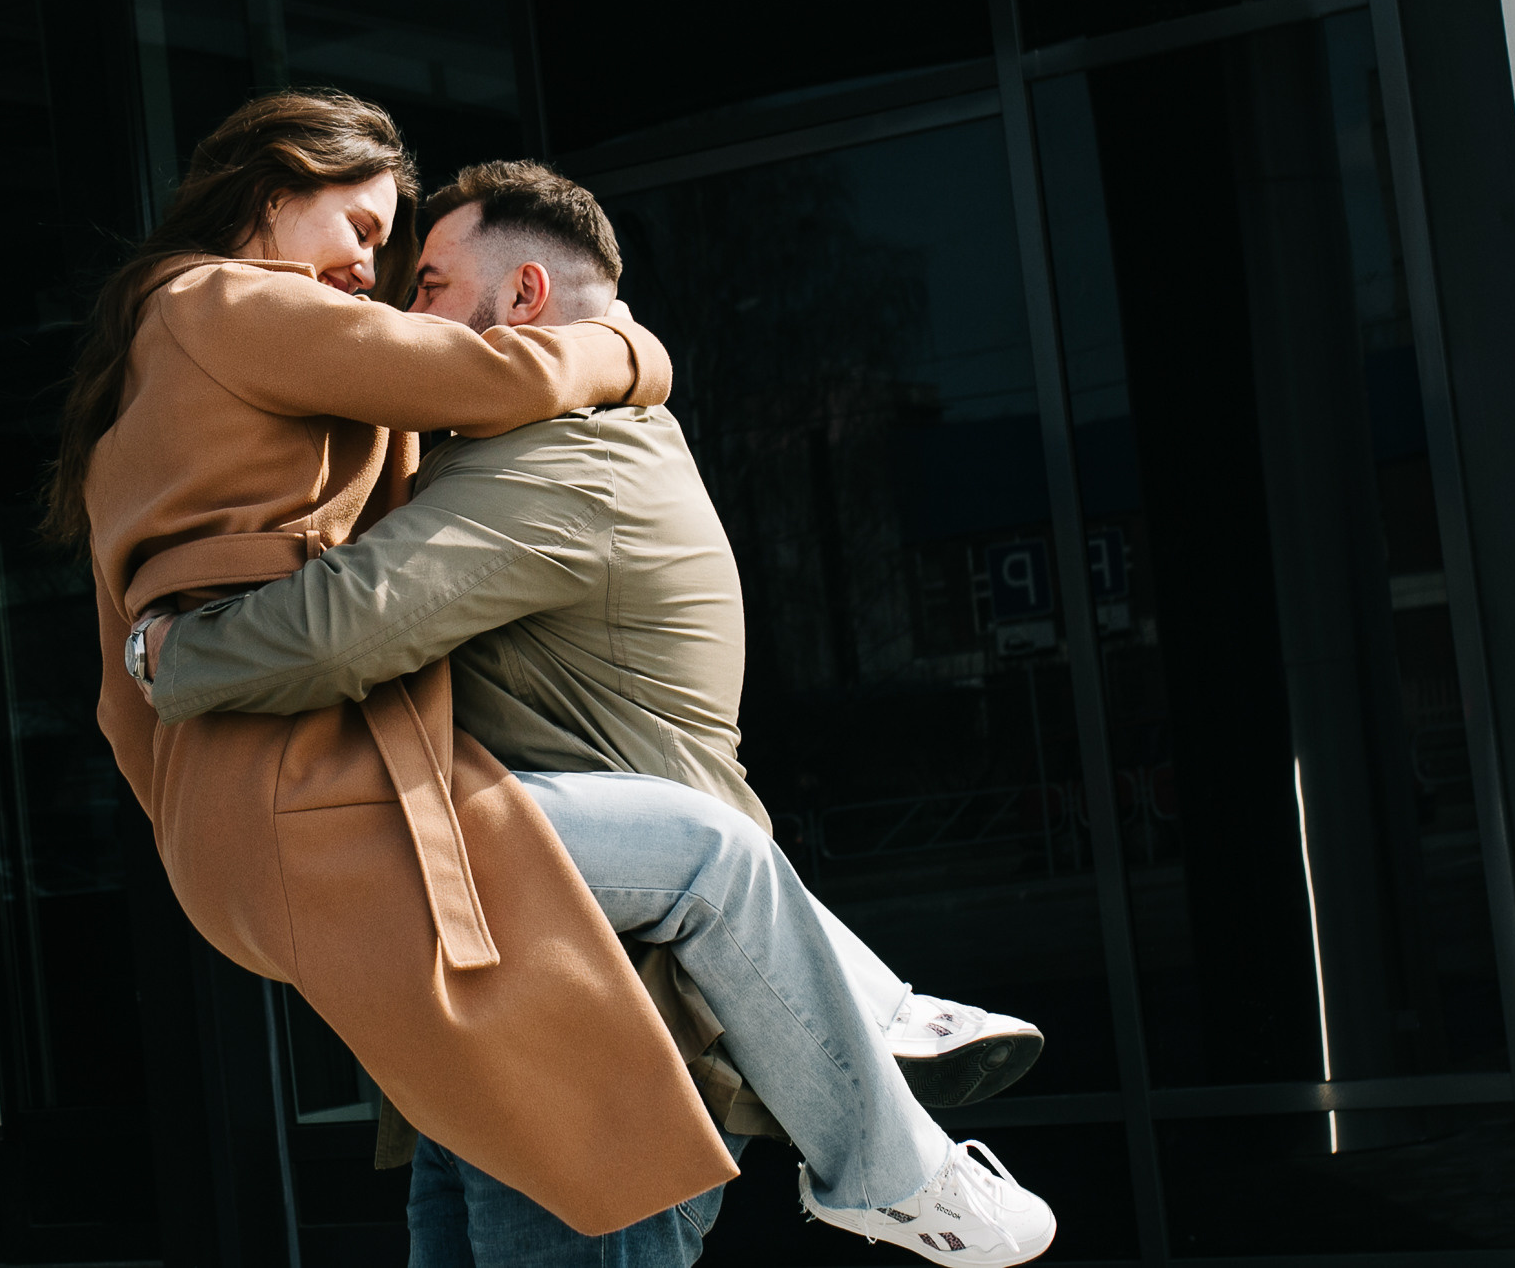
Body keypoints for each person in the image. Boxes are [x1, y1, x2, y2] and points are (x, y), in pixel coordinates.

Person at [136, 161, 1057, 1267]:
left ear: (523, 298)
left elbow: (343, 625)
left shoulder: (558, 465)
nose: (397, 308)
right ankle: (878, 1015)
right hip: (505, 1018)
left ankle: (892, 1148)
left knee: (708, 854)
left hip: (594, 1032)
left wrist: (173, 658)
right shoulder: (543, 435)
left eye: (425, 281)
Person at [59, 90, 738, 1236]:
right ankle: (886, 1133)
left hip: (230, 799)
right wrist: (631, 343)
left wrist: (185, 756)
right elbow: (490, 379)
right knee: (717, 858)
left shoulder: (160, 350)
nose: (371, 272)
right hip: (349, 816)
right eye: (364, 231)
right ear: (275, 195)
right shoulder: (230, 297)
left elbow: (123, 693)